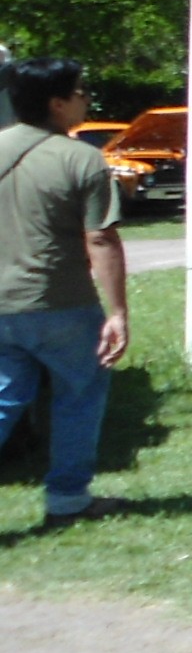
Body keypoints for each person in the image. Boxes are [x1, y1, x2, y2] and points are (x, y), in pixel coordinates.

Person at [0, 58, 131, 527]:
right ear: (57, 103)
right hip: (61, 302)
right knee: (79, 395)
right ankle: (68, 501)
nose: (86, 99)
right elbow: (100, 239)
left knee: (5, 397)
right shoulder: (82, 159)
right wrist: (117, 313)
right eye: (81, 91)